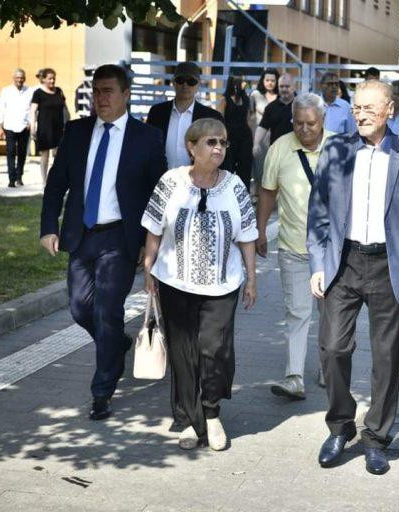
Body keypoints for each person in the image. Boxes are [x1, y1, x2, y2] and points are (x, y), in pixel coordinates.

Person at [307, 80, 399, 475]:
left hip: (390, 266)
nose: (361, 115)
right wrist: (318, 264)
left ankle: (377, 438)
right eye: (356, 108)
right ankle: (340, 426)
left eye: (369, 108)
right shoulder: (335, 149)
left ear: (390, 111)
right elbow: (318, 211)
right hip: (343, 262)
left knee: (386, 357)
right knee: (332, 349)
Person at [40, 64, 167, 422]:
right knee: (80, 309)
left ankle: (102, 391)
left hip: (120, 238)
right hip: (81, 235)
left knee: (107, 311)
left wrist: (151, 244)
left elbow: (158, 194)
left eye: (108, 91)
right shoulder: (77, 131)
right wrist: (48, 227)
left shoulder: (146, 137)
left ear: (126, 94)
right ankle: (117, 345)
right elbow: (56, 183)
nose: (101, 98)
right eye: (96, 91)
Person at [142, 118, 257, 451]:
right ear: (191, 147)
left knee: (215, 349)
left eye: (223, 142)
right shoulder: (171, 181)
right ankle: (192, 421)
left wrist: (252, 278)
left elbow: (248, 236)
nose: (218, 148)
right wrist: (148, 268)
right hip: (175, 283)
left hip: (222, 285)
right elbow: (153, 228)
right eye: (211, 142)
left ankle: (212, 413)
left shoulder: (234, 185)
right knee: (184, 354)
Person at [256, 93, 334, 400]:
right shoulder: (280, 147)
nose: (304, 129)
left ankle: (328, 368)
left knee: (331, 315)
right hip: (293, 247)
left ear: (323, 120)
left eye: (310, 123)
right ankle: (294, 377)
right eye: (298, 123)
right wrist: (261, 230)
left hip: (332, 251)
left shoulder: (340, 147)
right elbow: (267, 192)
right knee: (297, 312)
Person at [146, 61, 224, 171]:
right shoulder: (157, 113)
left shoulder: (211, 117)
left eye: (191, 81)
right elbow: (147, 150)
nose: (185, 85)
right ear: (173, 82)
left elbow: (220, 156)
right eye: (180, 80)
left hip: (200, 179)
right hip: (161, 179)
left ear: (198, 84)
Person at [30, 68, 70, 185]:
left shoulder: (59, 91)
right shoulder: (38, 93)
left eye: (53, 78)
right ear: (43, 79)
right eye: (49, 79)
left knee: (58, 154)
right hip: (45, 128)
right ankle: (44, 181)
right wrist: (33, 127)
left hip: (58, 127)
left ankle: (57, 179)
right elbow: (33, 111)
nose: (52, 81)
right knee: (45, 155)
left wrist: (69, 122)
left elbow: (65, 108)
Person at [0, 69, 34, 187]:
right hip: (9, 126)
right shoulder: (6, 91)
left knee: (22, 153)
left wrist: (31, 122)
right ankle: (11, 179)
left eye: (21, 78)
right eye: (17, 77)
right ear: (13, 78)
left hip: (24, 126)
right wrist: (0, 126)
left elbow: (32, 109)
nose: (19, 80)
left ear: (25, 78)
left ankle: (19, 177)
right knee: (10, 152)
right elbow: (1, 108)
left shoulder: (30, 91)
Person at [249, 68, 279, 192]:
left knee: (275, 167)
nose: (270, 83)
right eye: (267, 80)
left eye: (273, 80)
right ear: (263, 80)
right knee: (259, 167)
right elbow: (250, 115)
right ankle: (256, 194)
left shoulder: (280, 96)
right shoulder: (255, 95)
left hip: (276, 136)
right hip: (259, 137)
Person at [222, 75, 254, 189]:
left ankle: (244, 193)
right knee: (227, 167)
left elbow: (249, 119)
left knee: (245, 168)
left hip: (245, 138)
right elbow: (219, 118)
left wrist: (253, 140)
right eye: (242, 82)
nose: (244, 84)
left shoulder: (246, 99)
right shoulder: (225, 99)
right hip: (229, 137)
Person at [254, 73, 296, 151]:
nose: (284, 89)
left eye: (287, 86)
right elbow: (262, 127)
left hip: (296, 151)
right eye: (281, 86)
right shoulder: (271, 107)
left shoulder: (302, 105)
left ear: (294, 87)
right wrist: (256, 144)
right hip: (276, 151)